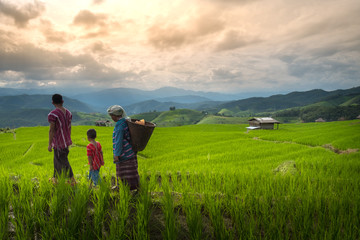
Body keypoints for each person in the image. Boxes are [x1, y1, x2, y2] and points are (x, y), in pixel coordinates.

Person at [107, 105, 139, 191]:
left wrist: (116, 154)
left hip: (124, 153)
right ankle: (134, 187)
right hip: (130, 152)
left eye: (112, 115)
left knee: (122, 171)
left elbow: (118, 141)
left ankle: (122, 187)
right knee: (131, 171)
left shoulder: (119, 126)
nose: (111, 117)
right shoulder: (125, 121)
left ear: (115, 116)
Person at [48, 94, 75, 184]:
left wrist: (49, 144)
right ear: (62, 101)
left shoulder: (53, 114)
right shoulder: (69, 113)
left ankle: (72, 180)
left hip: (59, 142)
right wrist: (68, 140)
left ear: (52, 102)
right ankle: (55, 179)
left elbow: (51, 130)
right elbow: (69, 128)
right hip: (66, 141)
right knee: (56, 160)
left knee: (63, 161)